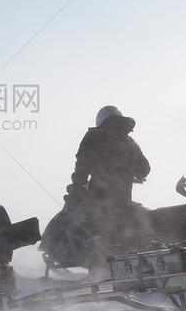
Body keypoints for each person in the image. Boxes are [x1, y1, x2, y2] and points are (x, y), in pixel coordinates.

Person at [63, 105, 150, 262]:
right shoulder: (128, 140)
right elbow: (144, 169)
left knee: (92, 231)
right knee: (117, 235)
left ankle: (97, 269)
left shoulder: (94, 136)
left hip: (99, 195)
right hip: (124, 197)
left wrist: (75, 192)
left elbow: (82, 168)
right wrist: (128, 172)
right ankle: (118, 267)